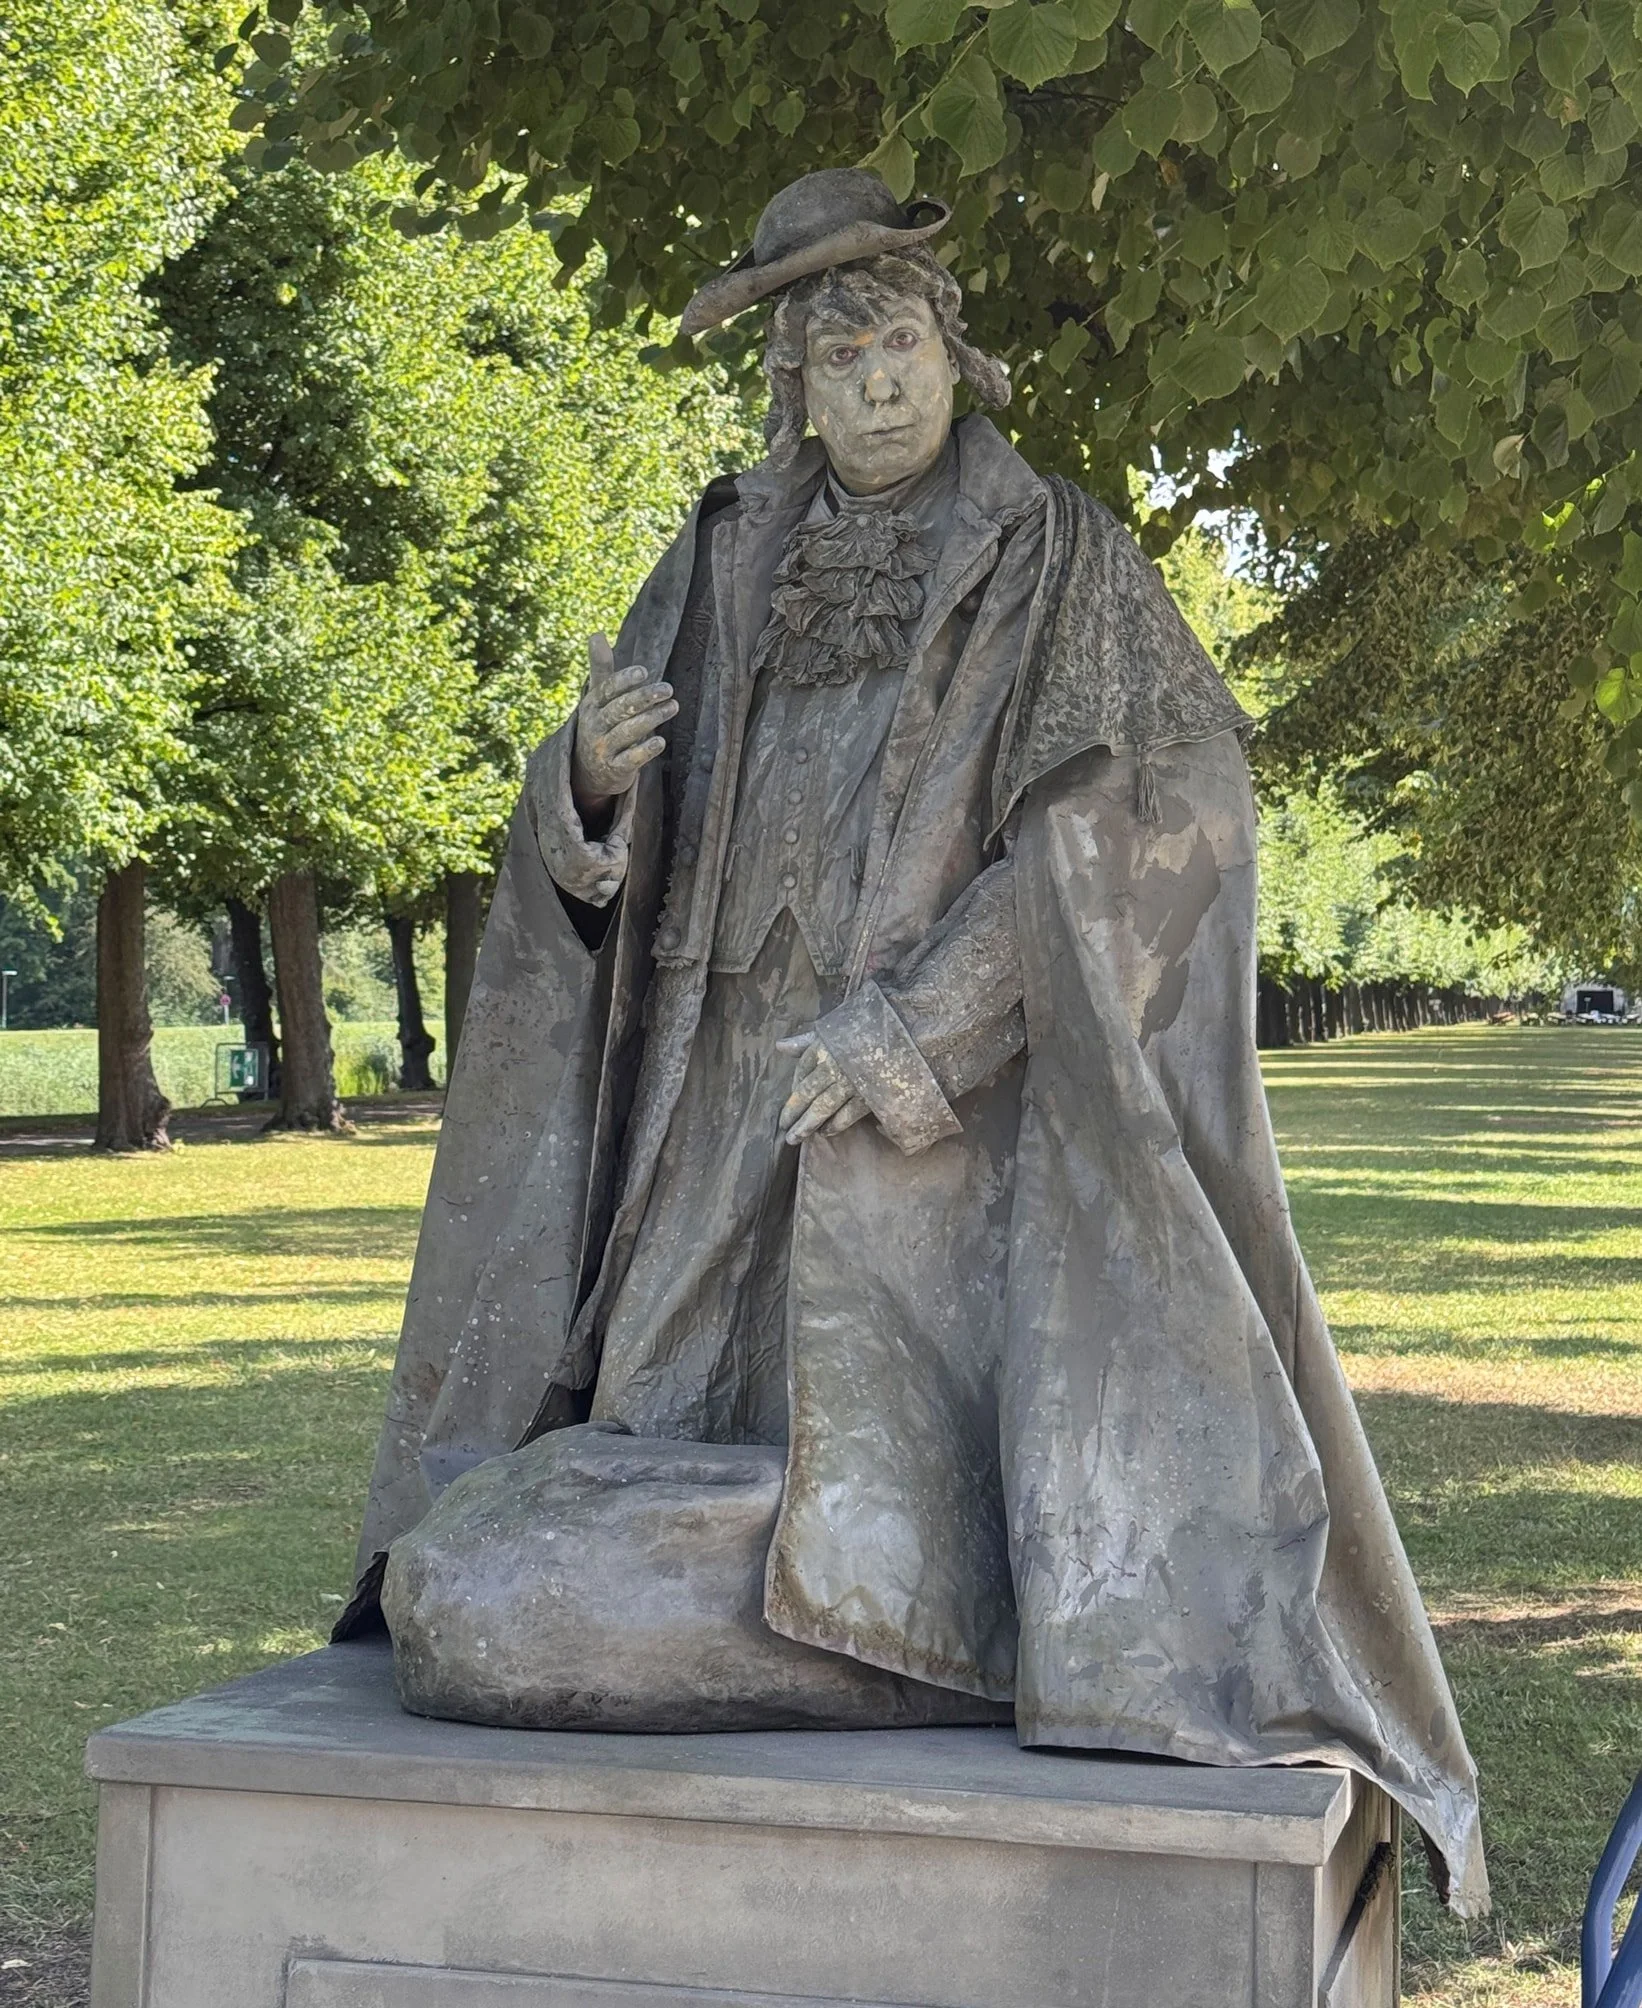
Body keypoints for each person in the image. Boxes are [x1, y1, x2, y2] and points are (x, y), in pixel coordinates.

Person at [342, 169, 1487, 1917]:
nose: (877, 384)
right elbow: (582, 842)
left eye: (902, 346)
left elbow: (1125, 837)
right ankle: (687, 1592)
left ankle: (918, 1613)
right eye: (838, 358)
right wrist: (580, 783)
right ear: (791, 384)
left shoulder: (1059, 559)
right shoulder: (722, 548)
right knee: (660, 1386)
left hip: (931, 1111)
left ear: (958, 358)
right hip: (706, 1055)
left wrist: (912, 1029)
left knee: (892, 1434)